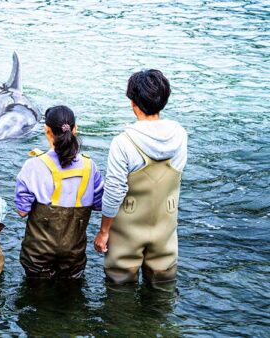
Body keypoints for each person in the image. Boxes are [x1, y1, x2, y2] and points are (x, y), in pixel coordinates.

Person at [93, 69, 187, 285]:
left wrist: (104, 231)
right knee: (163, 294)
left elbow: (114, 192)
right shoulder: (180, 135)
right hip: (166, 230)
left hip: (127, 232)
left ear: (133, 103)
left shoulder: (123, 142)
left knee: (119, 295)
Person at [15, 105, 104, 279]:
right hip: (74, 255)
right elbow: (99, 204)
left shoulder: (33, 166)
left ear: (46, 130)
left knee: (36, 296)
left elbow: (22, 211)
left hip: (37, 255)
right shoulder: (89, 166)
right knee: (71, 296)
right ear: (75, 129)